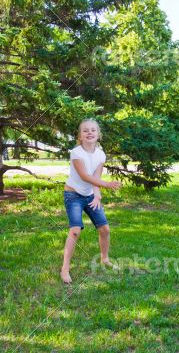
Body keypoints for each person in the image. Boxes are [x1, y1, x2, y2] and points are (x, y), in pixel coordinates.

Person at [60, 118, 122, 284]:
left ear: (98, 134)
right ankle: (65, 268)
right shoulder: (76, 153)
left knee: (105, 229)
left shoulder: (100, 154)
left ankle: (105, 259)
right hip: (73, 195)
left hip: (89, 196)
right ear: (80, 135)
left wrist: (97, 195)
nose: (89, 133)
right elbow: (84, 176)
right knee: (75, 231)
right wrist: (108, 185)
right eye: (85, 130)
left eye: (93, 130)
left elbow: (95, 177)